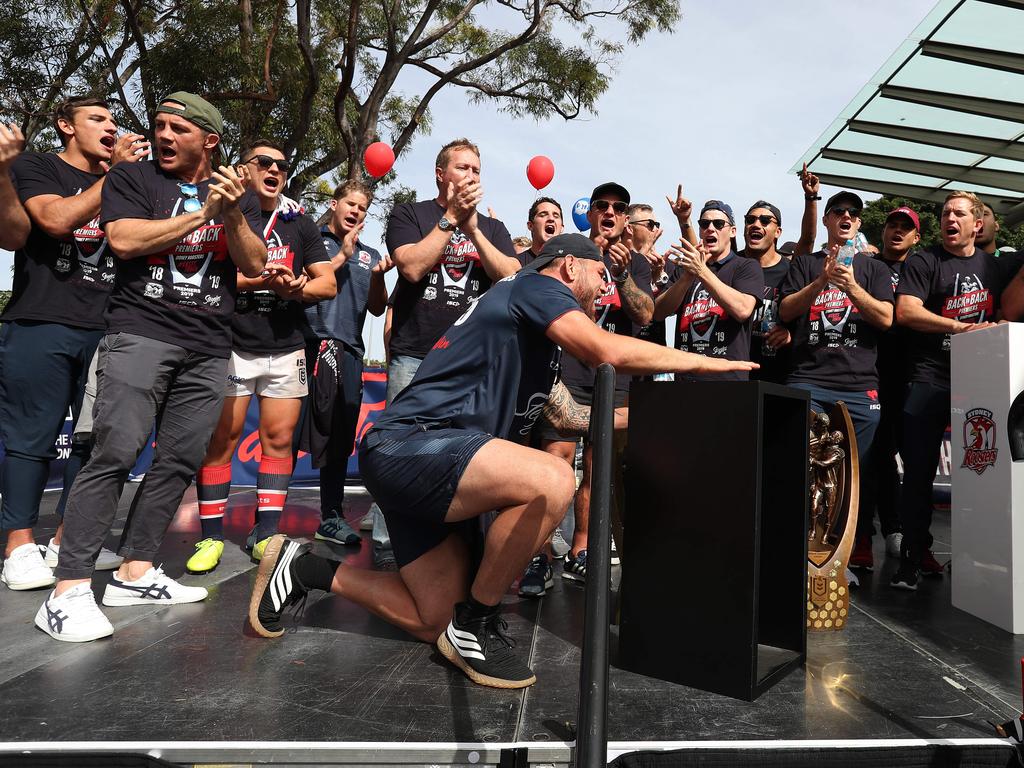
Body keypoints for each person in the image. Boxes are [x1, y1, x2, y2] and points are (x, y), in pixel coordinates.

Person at [247, 232, 757, 689]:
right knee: (554, 479)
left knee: (431, 619)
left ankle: (306, 569)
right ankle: (478, 619)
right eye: (601, 272)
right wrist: (707, 368)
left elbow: (576, 417)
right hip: (413, 446)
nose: (606, 288)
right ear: (569, 265)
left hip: (438, 464)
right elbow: (607, 350)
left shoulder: (530, 329)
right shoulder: (535, 286)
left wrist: (665, 414)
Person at [36, 92, 267, 642]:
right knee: (114, 452)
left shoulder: (236, 192)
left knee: (179, 461)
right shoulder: (135, 179)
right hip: (140, 333)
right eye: (159, 125)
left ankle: (134, 570)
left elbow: (254, 263)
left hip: (210, 346)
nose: (163, 136)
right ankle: (66, 590)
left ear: (208, 140)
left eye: (178, 129)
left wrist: (231, 212)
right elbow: (122, 238)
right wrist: (201, 215)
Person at [1, 97, 148, 590]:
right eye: (98, 119)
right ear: (66, 126)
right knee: (31, 440)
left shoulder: (127, 179)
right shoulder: (39, 167)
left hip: (109, 328)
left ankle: (67, 538)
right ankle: (19, 545)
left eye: (114, 120)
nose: (111, 127)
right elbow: (55, 221)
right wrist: (116, 176)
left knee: (94, 441)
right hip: (42, 321)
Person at [365, 138, 518, 565]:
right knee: (396, 451)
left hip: (470, 364)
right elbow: (411, 266)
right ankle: (386, 546)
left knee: (466, 452)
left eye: (477, 170)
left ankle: (457, 546)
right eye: (464, 168)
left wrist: (473, 231)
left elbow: (512, 276)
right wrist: (451, 218)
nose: (472, 176)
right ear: (441, 174)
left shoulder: (493, 229)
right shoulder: (411, 213)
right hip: (414, 356)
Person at [187, 141, 336, 574]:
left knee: (278, 441)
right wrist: (257, 283)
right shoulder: (226, 212)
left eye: (283, 165)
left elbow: (326, 284)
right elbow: (208, 274)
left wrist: (294, 289)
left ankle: (265, 532)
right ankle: (210, 537)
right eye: (264, 163)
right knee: (222, 441)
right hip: (232, 343)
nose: (275, 170)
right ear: (245, 170)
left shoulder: (300, 223)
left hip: (286, 344)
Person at [893, 192, 1014, 590]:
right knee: (919, 472)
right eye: (946, 213)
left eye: (959, 213)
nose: (950, 218)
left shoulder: (995, 267)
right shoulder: (925, 260)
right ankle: (912, 557)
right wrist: (961, 329)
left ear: (977, 225)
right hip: (930, 378)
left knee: (984, 470)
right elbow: (906, 311)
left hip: (981, 381)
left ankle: (981, 559)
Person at [779, 191, 894, 571]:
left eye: (853, 214)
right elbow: (784, 310)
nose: (846, 216)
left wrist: (851, 286)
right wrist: (821, 282)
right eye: (838, 211)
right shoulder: (805, 263)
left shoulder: (874, 269)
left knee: (849, 479)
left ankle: (837, 563)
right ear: (828, 220)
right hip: (809, 380)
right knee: (804, 474)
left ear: (858, 224)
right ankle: (797, 557)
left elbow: (886, 318)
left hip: (859, 386)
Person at [558, 182, 653, 583]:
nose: (610, 211)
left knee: (599, 472)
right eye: (602, 205)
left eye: (619, 207)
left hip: (612, 379)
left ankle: (582, 548)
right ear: (592, 213)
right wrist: (591, 263)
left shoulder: (636, 263)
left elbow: (645, 314)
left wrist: (622, 273)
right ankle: (540, 555)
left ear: (625, 218)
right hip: (567, 376)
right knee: (556, 467)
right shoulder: (568, 255)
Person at [299, 179, 390, 546]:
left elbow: (378, 308)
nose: (355, 211)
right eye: (350, 204)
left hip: (350, 351)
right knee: (287, 435)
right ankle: (267, 521)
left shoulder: (368, 254)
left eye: (363, 208)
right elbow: (298, 286)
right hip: (309, 345)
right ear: (335, 204)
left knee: (339, 440)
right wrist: (341, 257)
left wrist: (380, 279)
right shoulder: (310, 240)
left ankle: (331, 516)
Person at [849, 207, 920, 572]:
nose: (897, 231)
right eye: (892, 224)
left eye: (905, 227)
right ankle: (863, 535)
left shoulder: (922, 267)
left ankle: (901, 532)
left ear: (915, 238)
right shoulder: (867, 264)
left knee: (898, 455)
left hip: (908, 375)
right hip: (867, 372)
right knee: (871, 457)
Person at [654, 200, 764, 380]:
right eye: (705, 224)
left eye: (719, 224)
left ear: (733, 232)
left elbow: (743, 310)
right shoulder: (686, 269)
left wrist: (701, 271)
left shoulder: (745, 266)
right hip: (686, 380)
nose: (710, 228)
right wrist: (687, 277)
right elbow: (658, 312)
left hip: (727, 381)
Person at [739, 200, 791, 383]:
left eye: (765, 220)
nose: (756, 224)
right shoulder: (732, 264)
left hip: (777, 374)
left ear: (778, 232)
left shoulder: (791, 271)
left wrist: (790, 333)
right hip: (735, 372)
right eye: (750, 219)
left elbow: (807, 319)